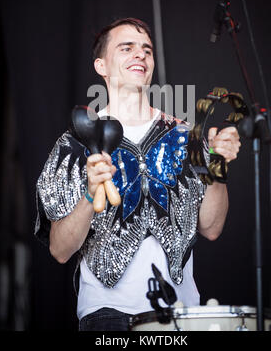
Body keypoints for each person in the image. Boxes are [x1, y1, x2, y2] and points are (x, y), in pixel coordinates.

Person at [35, 17, 241, 331]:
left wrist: (217, 168)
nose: (140, 55)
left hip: (184, 316)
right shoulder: (75, 143)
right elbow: (60, 250)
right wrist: (91, 194)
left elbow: (211, 228)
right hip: (107, 317)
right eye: (127, 48)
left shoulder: (185, 136)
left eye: (146, 50)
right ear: (101, 65)